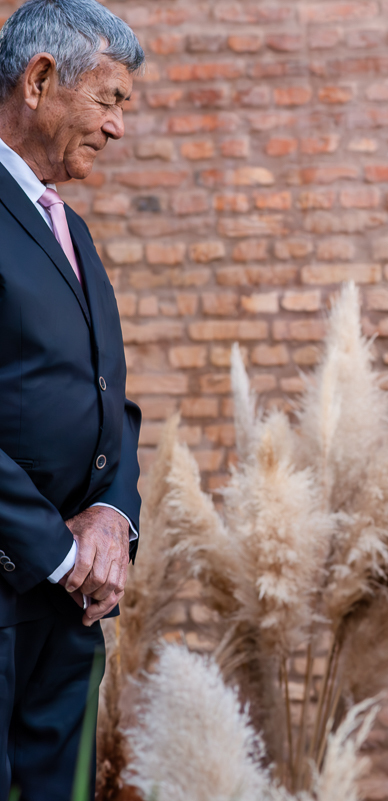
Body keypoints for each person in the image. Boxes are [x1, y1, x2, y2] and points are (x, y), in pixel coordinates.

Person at [0, 0, 143, 796]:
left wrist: (113, 520)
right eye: (109, 99)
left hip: (71, 606)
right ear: (41, 78)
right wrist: (56, 552)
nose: (118, 127)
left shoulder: (73, 230)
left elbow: (109, 400)